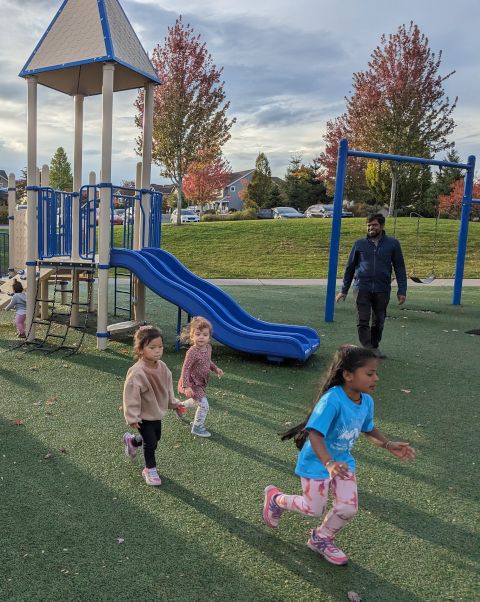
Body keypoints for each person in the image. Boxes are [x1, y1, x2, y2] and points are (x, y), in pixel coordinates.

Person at [262, 345, 416, 566]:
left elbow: (368, 428)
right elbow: (314, 434)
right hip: (317, 462)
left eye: (376, 373)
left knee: (347, 507)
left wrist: (387, 444)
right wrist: (328, 462)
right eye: (370, 373)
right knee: (313, 508)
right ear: (348, 375)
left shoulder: (366, 400)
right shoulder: (332, 400)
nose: (376, 378)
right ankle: (276, 499)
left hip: (342, 463)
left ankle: (321, 538)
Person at [336, 213, 407, 358]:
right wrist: (344, 290)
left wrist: (402, 290)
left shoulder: (393, 244)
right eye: (368, 225)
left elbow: (399, 267)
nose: (370, 228)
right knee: (362, 320)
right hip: (362, 287)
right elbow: (350, 268)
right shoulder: (359, 244)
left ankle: (374, 346)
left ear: (382, 226)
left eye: (374, 225)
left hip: (382, 289)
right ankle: (367, 348)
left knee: (379, 320)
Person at [121, 325, 185, 486]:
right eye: (152, 347)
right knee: (151, 443)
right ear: (141, 349)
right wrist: (132, 416)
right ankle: (149, 469)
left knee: (155, 438)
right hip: (142, 414)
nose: (158, 351)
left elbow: (167, 390)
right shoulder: (137, 372)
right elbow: (130, 395)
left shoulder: (163, 368)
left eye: (160, 347)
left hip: (156, 412)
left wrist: (175, 404)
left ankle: (132, 441)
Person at [178, 316, 224, 438]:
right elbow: (185, 369)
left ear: (209, 337)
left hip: (200, 382)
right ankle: (197, 427)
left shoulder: (208, 348)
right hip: (192, 383)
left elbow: (208, 361)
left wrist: (216, 369)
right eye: (198, 334)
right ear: (192, 336)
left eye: (205, 334)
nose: (201, 337)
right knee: (204, 405)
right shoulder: (192, 352)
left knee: (195, 401)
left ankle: (180, 406)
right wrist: (186, 386)